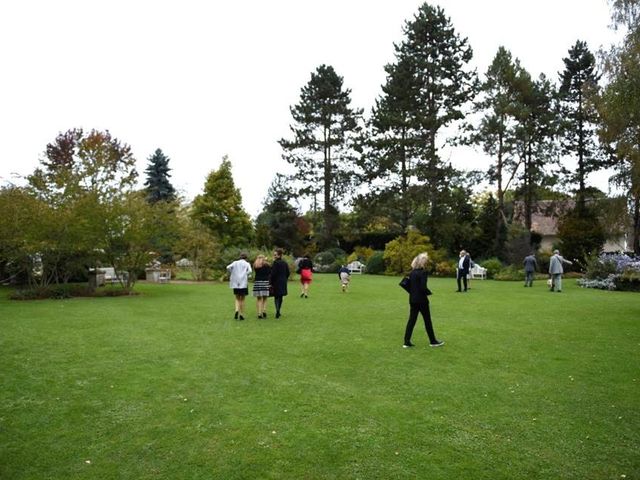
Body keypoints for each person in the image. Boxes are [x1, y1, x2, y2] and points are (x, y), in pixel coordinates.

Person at [403, 252, 444, 348]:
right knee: (427, 321)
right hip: (422, 300)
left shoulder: (412, 272)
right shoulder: (423, 273)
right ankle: (433, 341)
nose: (426, 263)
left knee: (412, 320)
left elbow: (410, 286)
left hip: (412, 299)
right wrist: (429, 292)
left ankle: (406, 341)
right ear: (422, 262)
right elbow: (423, 287)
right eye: (425, 261)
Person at [226, 252, 252, 320]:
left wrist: (232, 272)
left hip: (236, 282)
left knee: (237, 298)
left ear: (240, 257)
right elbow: (250, 271)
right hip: (243, 282)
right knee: (242, 299)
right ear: (246, 258)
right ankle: (241, 314)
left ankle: (237, 310)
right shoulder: (247, 263)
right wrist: (244, 274)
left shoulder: (235, 262)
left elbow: (228, 267)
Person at [270, 248, 290, 318]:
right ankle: (278, 310)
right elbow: (288, 272)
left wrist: (270, 281)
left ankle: (277, 310)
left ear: (279, 255)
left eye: (275, 255)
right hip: (283, 281)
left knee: (276, 296)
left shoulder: (275, 263)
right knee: (280, 296)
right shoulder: (285, 263)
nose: (274, 256)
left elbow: (273, 273)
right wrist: (285, 278)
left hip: (276, 281)